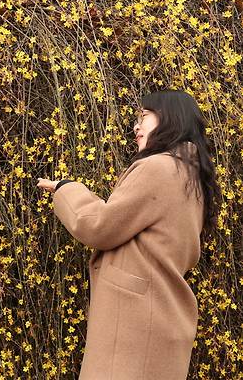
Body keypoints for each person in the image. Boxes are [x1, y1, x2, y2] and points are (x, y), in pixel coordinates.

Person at [37, 90, 219, 379]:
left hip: (136, 328)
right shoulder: (191, 175)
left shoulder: (159, 167)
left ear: (171, 118)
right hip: (159, 319)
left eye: (144, 117)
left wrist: (67, 188)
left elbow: (98, 225)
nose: (136, 127)